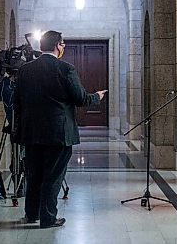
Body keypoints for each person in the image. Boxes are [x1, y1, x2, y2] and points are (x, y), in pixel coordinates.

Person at [13, 30, 107, 228]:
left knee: (34, 175)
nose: (63, 47)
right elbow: (80, 98)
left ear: (41, 46)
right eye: (63, 44)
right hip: (58, 133)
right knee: (53, 176)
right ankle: (47, 218)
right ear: (58, 46)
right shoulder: (66, 69)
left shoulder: (25, 70)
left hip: (31, 133)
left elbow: (17, 102)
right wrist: (97, 97)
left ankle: (31, 214)